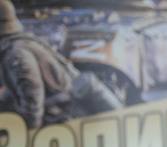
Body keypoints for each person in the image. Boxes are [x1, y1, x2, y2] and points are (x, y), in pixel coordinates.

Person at [0, 0, 123, 129]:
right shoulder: (24, 42)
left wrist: (27, 137)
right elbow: (18, 86)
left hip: (66, 119)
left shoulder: (15, 54)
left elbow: (33, 100)